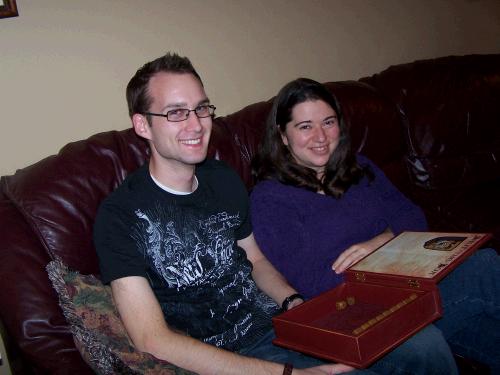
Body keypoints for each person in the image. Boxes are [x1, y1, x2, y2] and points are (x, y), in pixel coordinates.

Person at [94, 53, 365, 375]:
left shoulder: (222, 178)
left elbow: (257, 260)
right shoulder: (119, 218)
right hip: (221, 358)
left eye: (202, 108)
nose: (196, 125)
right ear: (143, 125)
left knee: (409, 350)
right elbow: (152, 339)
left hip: (276, 328)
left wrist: (295, 305)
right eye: (176, 113)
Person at [250, 78, 500, 374]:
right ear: (282, 135)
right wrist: (397, 250)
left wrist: (381, 241)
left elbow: (415, 219)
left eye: (328, 122)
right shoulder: (269, 199)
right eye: (305, 126)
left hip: (412, 282)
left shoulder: (360, 167)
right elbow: (316, 283)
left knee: (485, 262)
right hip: (357, 309)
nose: (320, 136)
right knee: (426, 341)